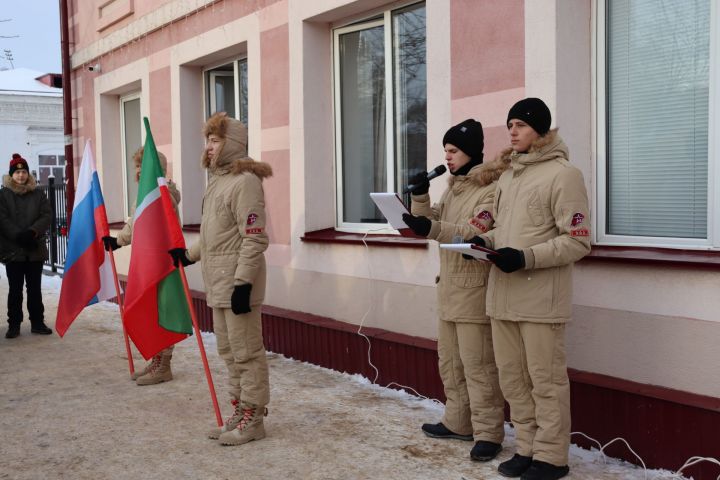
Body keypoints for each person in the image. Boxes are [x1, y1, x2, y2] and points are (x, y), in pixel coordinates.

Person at [470, 98, 591, 480]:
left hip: (541, 300)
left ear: (540, 130)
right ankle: (527, 447)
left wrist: (524, 257)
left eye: (520, 125)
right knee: (512, 379)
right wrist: (482, 245)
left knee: (546, 380)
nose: (512, 132)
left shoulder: (564, 174)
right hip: (502, 297)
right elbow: (501, 231)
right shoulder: (508, 177)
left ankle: (552, 457)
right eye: (510, 125)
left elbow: (577, 241)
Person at [401, 119, 509, 463]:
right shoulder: (454, 187)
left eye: (453, 150)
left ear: (472, 152)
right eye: (445, 150)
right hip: (448, 289)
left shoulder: (490, 189)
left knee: (479, 366)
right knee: (450, 363)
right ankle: (459, 421)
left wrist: (431, 226)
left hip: (474, 291)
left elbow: (471, 230)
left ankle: (489, 432)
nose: (446, 157)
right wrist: (419, 196)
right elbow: (432, 220)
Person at [169, 112, 272, 446]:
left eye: (215, 140)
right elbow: (216, 236)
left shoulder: (245, 182)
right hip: (218, 283)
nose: (209, 147)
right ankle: (240, 410)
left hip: (238, 285)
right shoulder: (218, 182)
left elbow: (254, 238)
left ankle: (254, 417)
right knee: (228, 353)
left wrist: (243, 284)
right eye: (208, 141)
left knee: (246, 353)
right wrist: (188, 255)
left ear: (233, 144)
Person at [102, 147, 180, 386]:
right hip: (147, 261)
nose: (137, 171)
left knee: (164, 311)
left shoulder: (164, 194)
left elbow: (159, 226)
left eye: (141, 166)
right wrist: (118, 241)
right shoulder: (146, 192)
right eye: (136, 166)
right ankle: (157, 358)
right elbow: (134, 223)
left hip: (162, 262)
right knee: (152, 310)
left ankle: (164, 364)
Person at [0, 153, 52, 339]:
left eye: (23, 172)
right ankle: (14, 324)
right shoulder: (3, 195)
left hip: (34, 248)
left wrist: (32, 232)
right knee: (15, 289)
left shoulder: (38, 194)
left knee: (34, 288)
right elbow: (2, 218)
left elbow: (46, 215)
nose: (21, 175)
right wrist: (17, 235)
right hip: (13, 250)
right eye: (17, 172)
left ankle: (37, 322)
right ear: (11, 175)